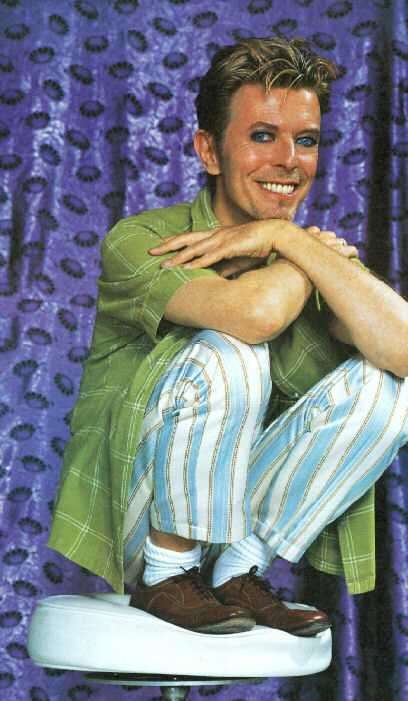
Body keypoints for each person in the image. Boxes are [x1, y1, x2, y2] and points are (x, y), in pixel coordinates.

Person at [49, 37, 408, 637]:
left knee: (389, 385)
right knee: (231, 351)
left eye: (307, 140)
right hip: (138, 521)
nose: (289, 161)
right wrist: (301, 251)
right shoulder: (143, 240)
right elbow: (253, 316)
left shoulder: (310, 252)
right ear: (209, 151)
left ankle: (240, 571)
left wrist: (287, 242)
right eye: (263, 136)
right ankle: (169, 572)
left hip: (239, 524)